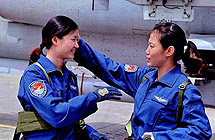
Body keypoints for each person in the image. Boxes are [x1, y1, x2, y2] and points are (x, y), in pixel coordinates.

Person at [74, 22, 212, 139]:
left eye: (152, 46)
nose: (147, 51)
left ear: (169, 51)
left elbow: (201, 131)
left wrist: (158, 137)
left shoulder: (184, 91)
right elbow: (111, 69)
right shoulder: (145, 77)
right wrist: (77, 45)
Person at [15, 15, 122, 140]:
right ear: (55, 40)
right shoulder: (34, 75)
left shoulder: (69, 77)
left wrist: (93, 135)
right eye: (74, 40)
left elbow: (72, 120)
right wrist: (92, 97)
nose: (77, 46)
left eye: (78, 41)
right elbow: (56, 114)